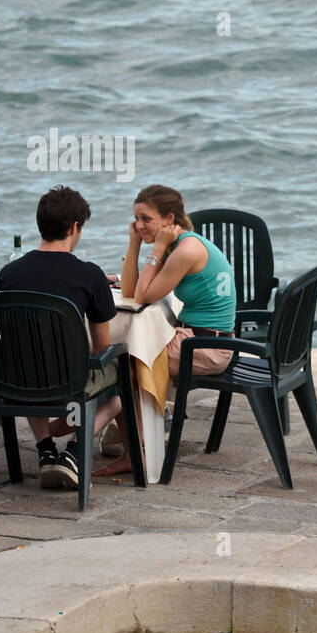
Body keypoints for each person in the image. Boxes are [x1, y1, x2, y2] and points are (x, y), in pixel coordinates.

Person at [95, 184, 236, 476]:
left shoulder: (185, 250)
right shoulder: (180, 245)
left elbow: (143, 297)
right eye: (136, 219)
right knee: (131, 355)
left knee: (131, 360)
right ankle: (132, 441)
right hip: (197, 338)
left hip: (208, 347)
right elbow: (134, 289)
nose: (139, 225)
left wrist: (156, 249)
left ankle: (134, 444)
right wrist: (134, 244)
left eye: (146, 219)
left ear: (169, 219)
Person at [0, 186, 122, 490]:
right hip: (69, 383)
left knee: (29, 364)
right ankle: (75, 453)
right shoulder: (90, 275)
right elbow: (102, 346)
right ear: (74, 227)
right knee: (123, 384)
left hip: (15, 381)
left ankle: (45, 449)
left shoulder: (8, 273)